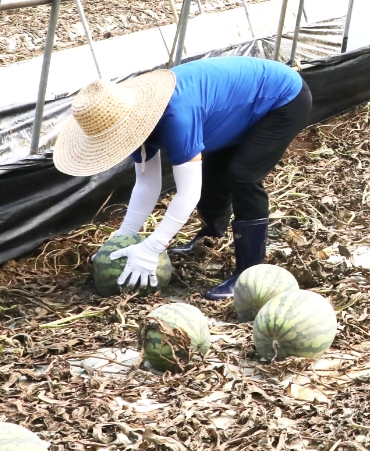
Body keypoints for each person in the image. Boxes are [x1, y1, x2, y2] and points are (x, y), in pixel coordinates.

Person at [54, 56, 313, 300]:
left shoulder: (176, 117)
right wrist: (123, 237)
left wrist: (153, 245)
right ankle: (212, 235)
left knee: (243, 176)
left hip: (282, 99)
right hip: (237, 107)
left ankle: (250, 274)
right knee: (214, 173)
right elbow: (146, 183)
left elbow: (189, 193)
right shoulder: (129, 120)